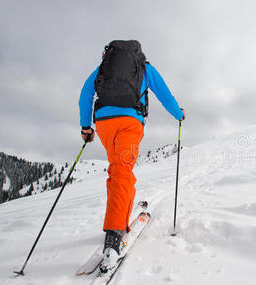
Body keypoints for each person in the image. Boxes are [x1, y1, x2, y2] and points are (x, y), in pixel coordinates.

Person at [78, 40, 185, 272]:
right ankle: (114, 235)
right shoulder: (146, 69)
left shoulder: (103, 69)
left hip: (104, 123)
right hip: (130, 123)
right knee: (123, 170)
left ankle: (118, 216)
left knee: (117, 169)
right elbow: (165, 97)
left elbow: (85, 95)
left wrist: (86, 128)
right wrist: (179, 114)